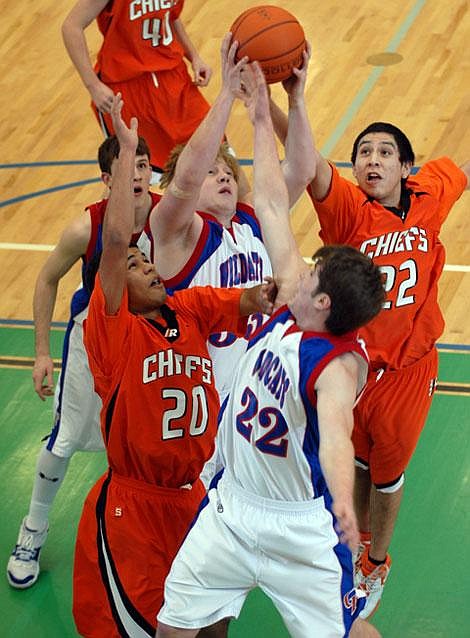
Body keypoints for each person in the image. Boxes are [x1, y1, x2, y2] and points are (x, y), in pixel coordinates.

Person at [155, 61, 385, 638]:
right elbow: (275, 205)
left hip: (300, 530)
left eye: (314, 271)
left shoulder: (337, 365)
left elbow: (335, 436)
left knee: (350, 634)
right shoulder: (292, 300)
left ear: (324, 303)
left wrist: (344, 509)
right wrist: (260, 114)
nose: (301, 266)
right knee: (174, 629)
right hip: (232, 507)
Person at [73, 94, 274, 638]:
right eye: (133, 267)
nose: (145, 266)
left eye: (147, 260)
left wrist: (282, 294)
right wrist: (129, 156)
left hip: (194, 495)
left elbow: (250, 299)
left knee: (215, 618)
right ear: (113, 287)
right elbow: (116, 242)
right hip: (135, 508)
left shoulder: (186, 309)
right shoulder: (113, 331)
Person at [269, 103, 470, 615]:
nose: (372, 160)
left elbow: (463, 168)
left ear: (407, 167)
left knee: (387, 476)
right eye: (363, 153)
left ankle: (377, 561)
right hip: (353, 366)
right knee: (354, 461)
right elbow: (309, 158)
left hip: (409, 369)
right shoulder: (348, 211)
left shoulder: (432, 194)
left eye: (385, 152)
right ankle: (353, 548)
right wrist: (284, 97)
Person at [6, 133, 159, 589]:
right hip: (91, 340)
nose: (137, 174)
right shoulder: (86, 227)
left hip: (147, 343)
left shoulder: (169, 217)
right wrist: (40, 354)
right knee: (65, 438)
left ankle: (141, 536)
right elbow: (46, 278)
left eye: (144, 164)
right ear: (106, 179)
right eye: (127, 166)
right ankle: (32, 531)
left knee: (142, 446)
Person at [149, 33, 315, 404]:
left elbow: (303, 168)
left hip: (254, 397)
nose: (224, 175)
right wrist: (225, 95)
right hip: (199, 405)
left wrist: (294, 100)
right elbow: (187, 178)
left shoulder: (251, 218)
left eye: (227, 170)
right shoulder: (177, 231)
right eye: (212, 171)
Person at [62, 0, 212, 175]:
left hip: (174, 79)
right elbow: (71, 27)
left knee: (217, 154)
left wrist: (194, 56)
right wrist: (93, 85)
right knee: (136, 176)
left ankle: (246, 202)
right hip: (128, 88)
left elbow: (169, 16)